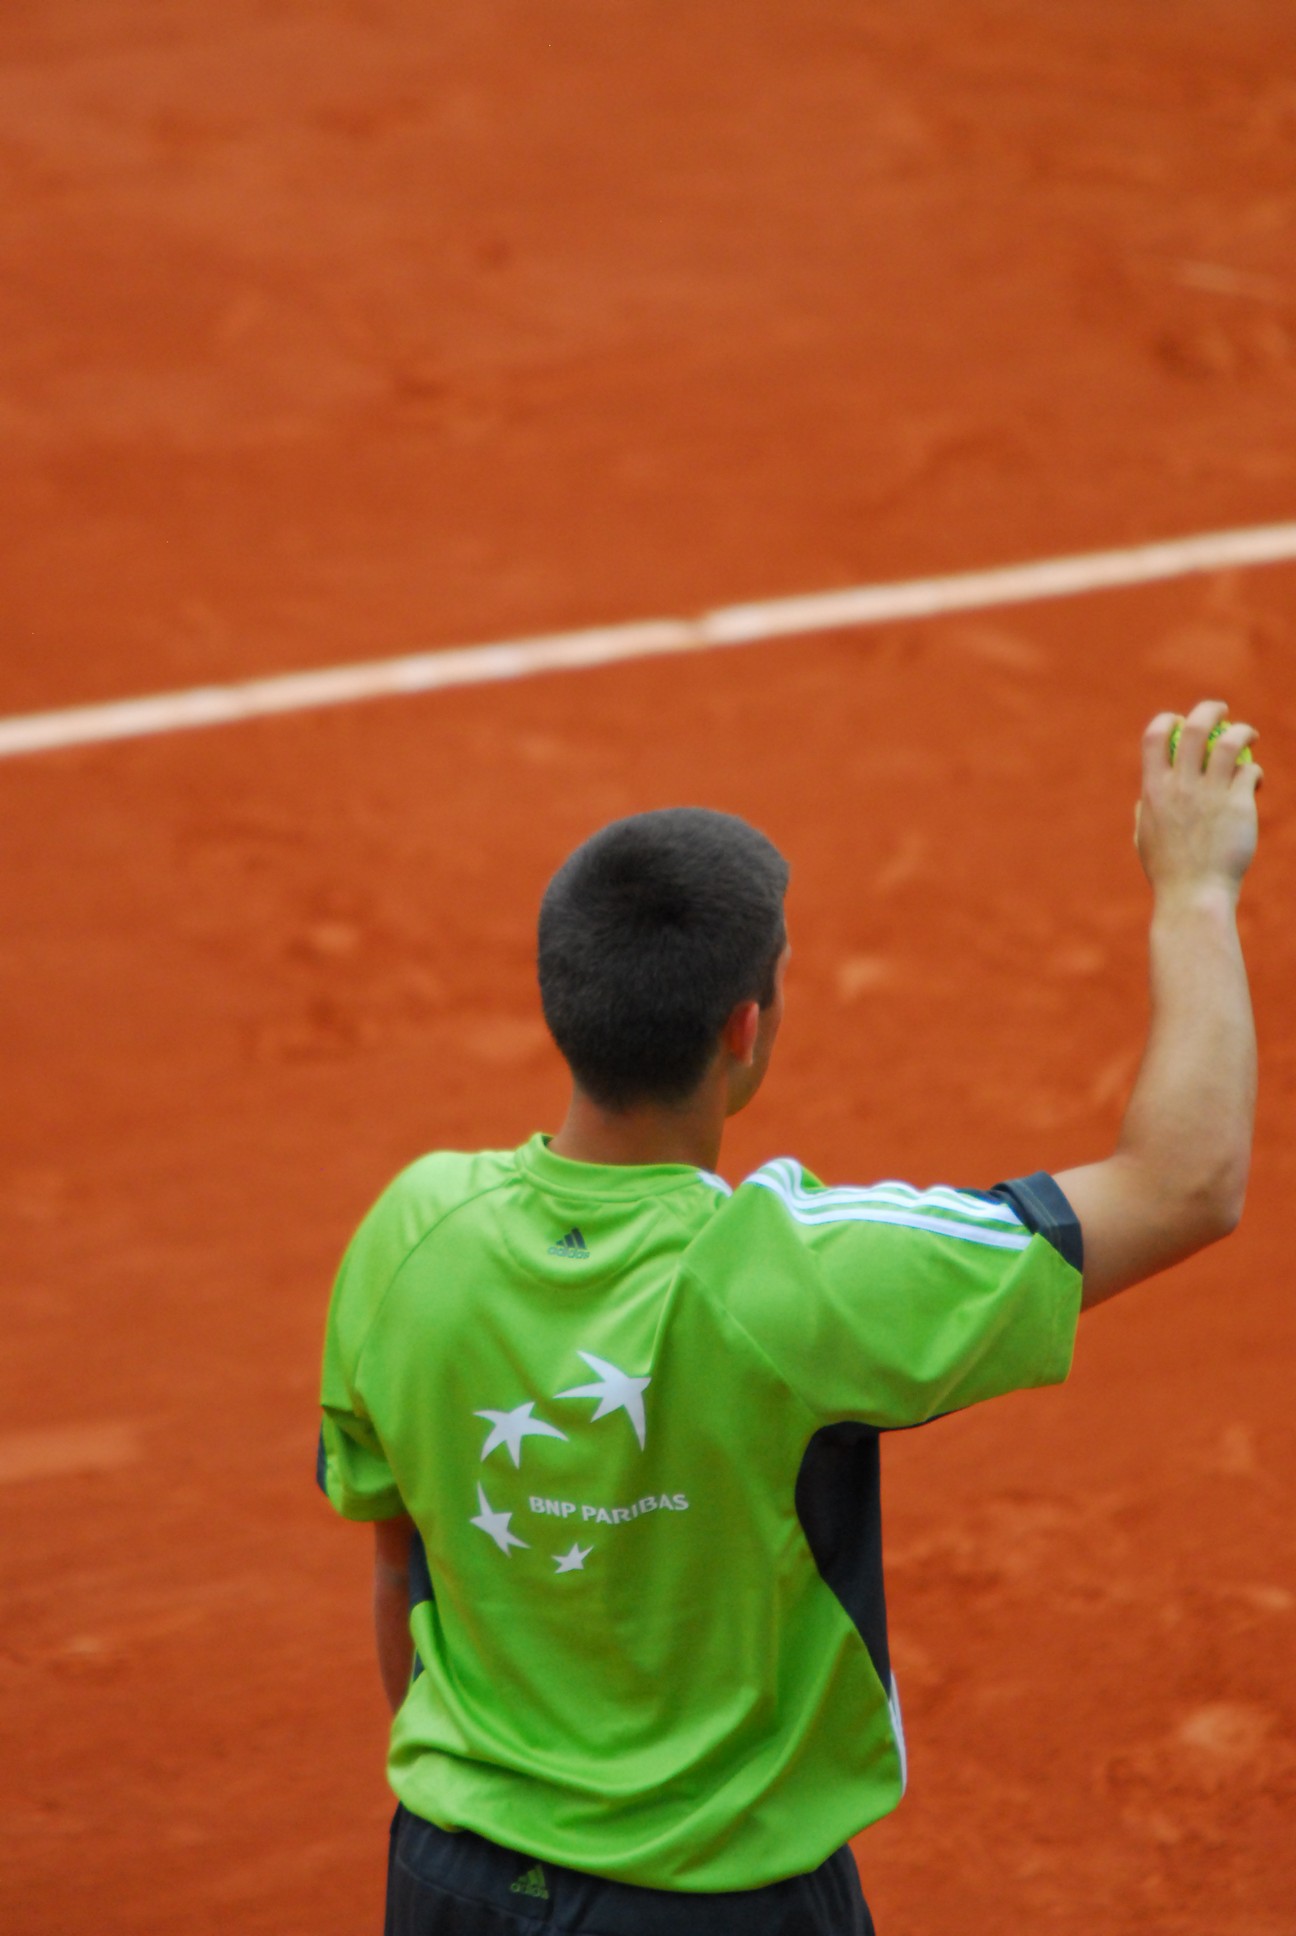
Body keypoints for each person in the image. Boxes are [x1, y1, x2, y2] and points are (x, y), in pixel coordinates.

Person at [317, 698, 1260, 1935]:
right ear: (744, 1028)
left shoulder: (408, 1230)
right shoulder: (791, 1276)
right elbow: (1184, 1182)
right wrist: (1194, 888)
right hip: (711, 1907)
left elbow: (398, 1567)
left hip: (449, 1876)